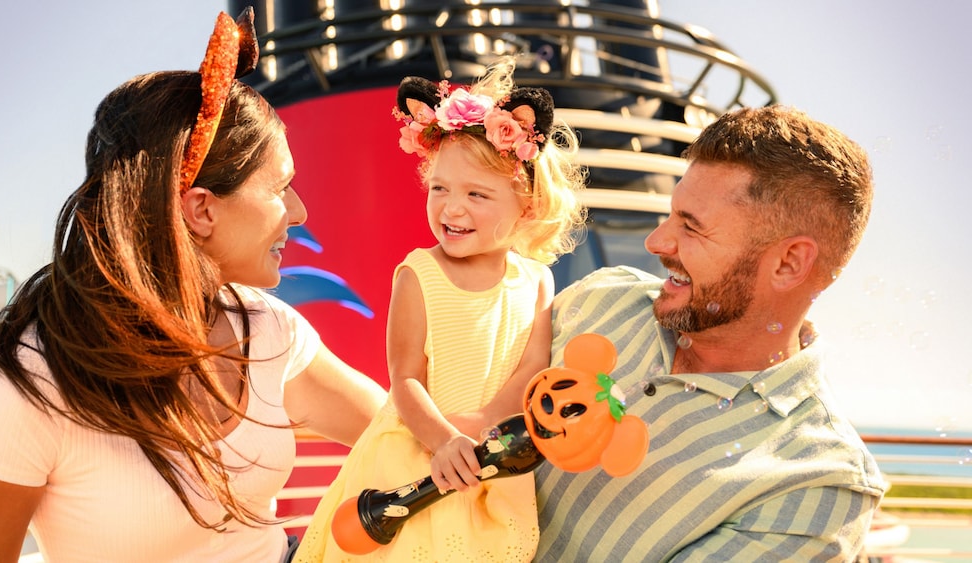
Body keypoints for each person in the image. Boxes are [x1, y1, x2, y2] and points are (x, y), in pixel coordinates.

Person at [0, 10, 386, 563]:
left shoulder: (268, 330)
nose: (300, 212)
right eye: (282, 188)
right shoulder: (23, 384)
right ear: (201, 210)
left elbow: (401, 434)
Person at [533, 105, 887, 561]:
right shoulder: (603, 297)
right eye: (671, 214)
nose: (657, 242)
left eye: (691, 227)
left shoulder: (820, 484)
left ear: (789, 263)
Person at [295, 59, 586, 562]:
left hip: (489, 456)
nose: (452, 208)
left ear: (526, 203)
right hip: (415, 453)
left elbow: (532, 369)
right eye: (440, 189)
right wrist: (445, 439)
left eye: (477, 194)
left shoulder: (536, 279)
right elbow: (405, 377)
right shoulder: (418, 274)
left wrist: (482, 425)